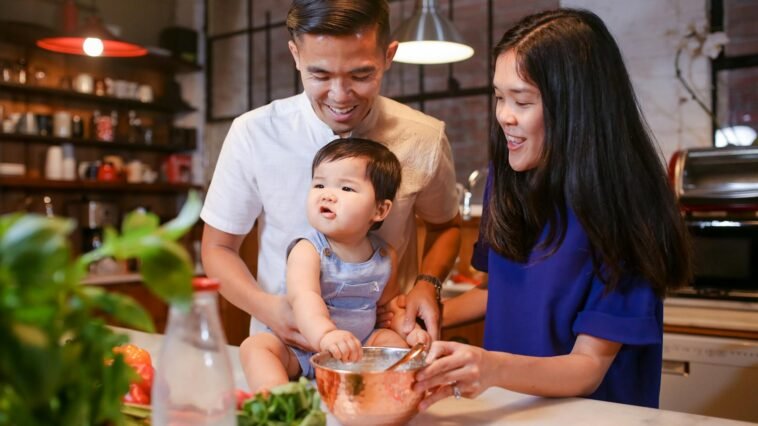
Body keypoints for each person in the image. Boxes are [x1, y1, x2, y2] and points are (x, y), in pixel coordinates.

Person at [412, 8, 692, 410]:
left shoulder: (630, 208)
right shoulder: (506, 181)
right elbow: (501, 295)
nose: (503, 116)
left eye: (521, 101)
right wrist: (422, 316)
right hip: (512, 412)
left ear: (577, 108)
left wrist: (489, 368)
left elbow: (587, 367)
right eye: (498, 97)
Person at [200, 0, 461, 352]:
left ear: (388, 55)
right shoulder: (254, 132)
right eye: (320, 75)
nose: (340, 96)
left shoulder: (423, 137)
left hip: (381, 352)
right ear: (296, 55)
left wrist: (427, 284)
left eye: (361, 75)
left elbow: (446, 226)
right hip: (283, 347)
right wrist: (269, 309)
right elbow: (217, 248)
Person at [239, 138, 431, 392]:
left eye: (347, 189)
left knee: (393, 344)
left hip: (358, 349)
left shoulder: (385, 256)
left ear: (380, 210)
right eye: (319, 184)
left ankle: (383, 391)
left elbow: (387, 308)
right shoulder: (308, 250)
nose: (327, 194)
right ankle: (275, 394)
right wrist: (326, 335)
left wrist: (408, 330)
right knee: (256, 347)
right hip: (302, 347)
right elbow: (304, 298)